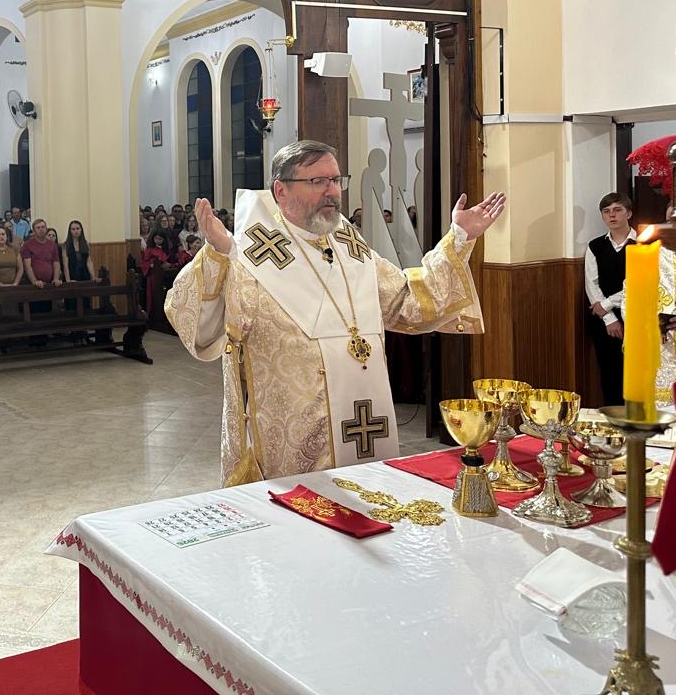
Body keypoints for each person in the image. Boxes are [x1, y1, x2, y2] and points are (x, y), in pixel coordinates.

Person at [166, 139, 502, 483]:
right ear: (281, 191)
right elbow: (199, 325)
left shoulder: (349, 246)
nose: (332, 191)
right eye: (318, 181)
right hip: (294, 441)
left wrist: (459, 238)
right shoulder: (251, 256)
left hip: (365, 418)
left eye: (336, 180)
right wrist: (217, 255)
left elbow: (406, 301)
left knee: (370, 499)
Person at [585, 192, 636, 407]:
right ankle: (613, 421)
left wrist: (606, 304)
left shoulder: (645, 244)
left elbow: (638, 284)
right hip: (605, 322)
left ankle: (635, 420)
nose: (611, 215)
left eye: (617, 210)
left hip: (636, 316)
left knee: (635, 373)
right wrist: (609, 318)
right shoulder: (595, 246)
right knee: (609, 373)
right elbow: (592, 283)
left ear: (629, 213)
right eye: (606, 212)